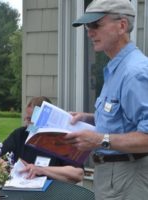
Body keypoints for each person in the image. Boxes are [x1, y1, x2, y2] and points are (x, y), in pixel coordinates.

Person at [66, 0, 148, 199]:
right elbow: (125, 120)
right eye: (87, 26)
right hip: (112, 176)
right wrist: (90, 118)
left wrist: (97, 139)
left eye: (96, 25)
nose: (89, 32)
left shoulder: (135, 72)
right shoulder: (117, 68)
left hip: (129, 176)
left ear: (121, 26)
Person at [1, 96, 84, 183]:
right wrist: (10, 167)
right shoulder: (21, 134)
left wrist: (41, 170)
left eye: (30, 119)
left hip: (53, 192)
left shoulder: (63, 139)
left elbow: (78, 174)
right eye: (27, 118)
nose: (27, 123)